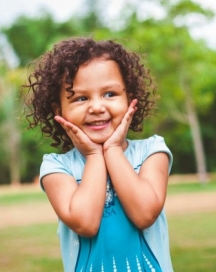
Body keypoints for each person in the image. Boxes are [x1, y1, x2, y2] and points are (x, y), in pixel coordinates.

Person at [24, 37, 173, 272]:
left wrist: (112, 150)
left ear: (129, 99)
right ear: (58, 110)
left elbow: (145, 214)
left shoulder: (152, 151)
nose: (96, 107)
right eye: (81, 98)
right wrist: (94, 155)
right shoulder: (56, 168)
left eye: (110, 94)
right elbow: (85, 223)